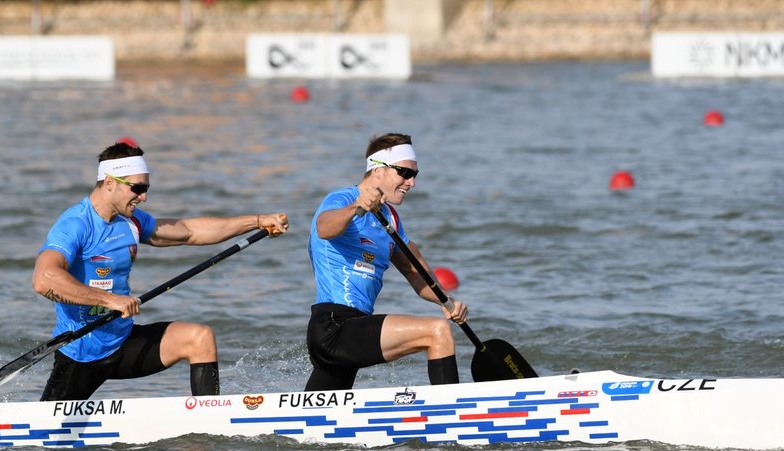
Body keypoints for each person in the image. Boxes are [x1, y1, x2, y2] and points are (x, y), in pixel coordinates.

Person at [34, 139, 289, 401]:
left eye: (146, 188)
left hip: (123, 342)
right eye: (137, 187)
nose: (143, 197)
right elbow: (44, 279)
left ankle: (209, 423)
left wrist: (257, 221)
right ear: (109, 182)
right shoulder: (75, 224)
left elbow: (190, 232)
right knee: (49, 438)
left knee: (198, 338)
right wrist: (110, 300)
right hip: (81, 352)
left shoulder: (130, 221)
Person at [305, 132, 468, 391]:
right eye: (404, 172)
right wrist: (355, 207)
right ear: (378, 170)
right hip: (334, 326)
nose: (411, 182)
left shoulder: (391, 218)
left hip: (356, 329)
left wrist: (446, 302)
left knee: (313, 421)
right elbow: (324, 228)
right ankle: (453, 413)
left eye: (415, 174)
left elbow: (415, 271)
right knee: (436, 331)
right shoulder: (342, 199)